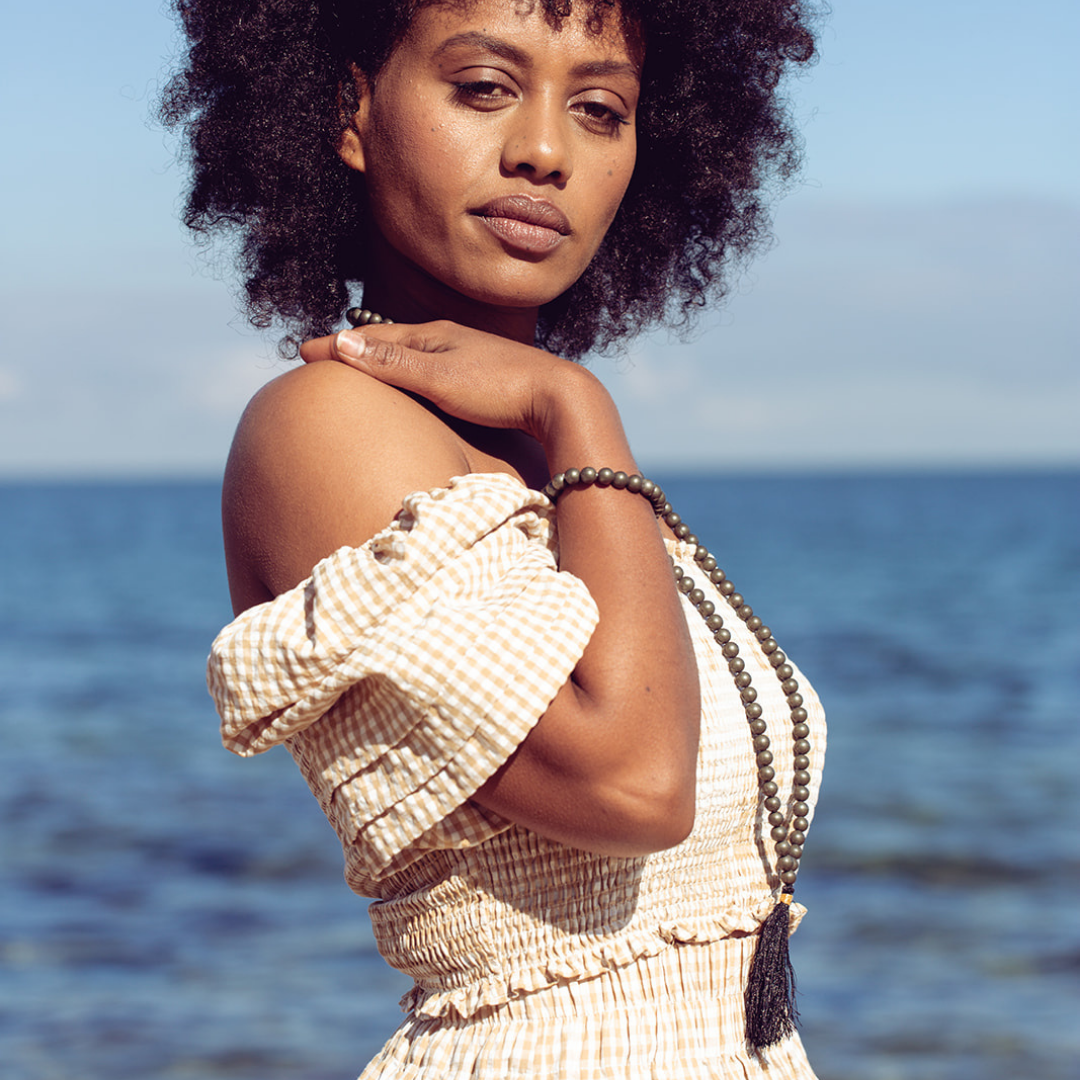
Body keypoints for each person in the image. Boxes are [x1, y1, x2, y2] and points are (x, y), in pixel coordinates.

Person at [164, 0, 826, 1075]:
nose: (543, 151)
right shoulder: (327, 430)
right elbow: (633, 784)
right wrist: (576, 405)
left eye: (601, 108)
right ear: (348, 108)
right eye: (483, 88)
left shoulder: (543, 466)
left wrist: (557, 421)